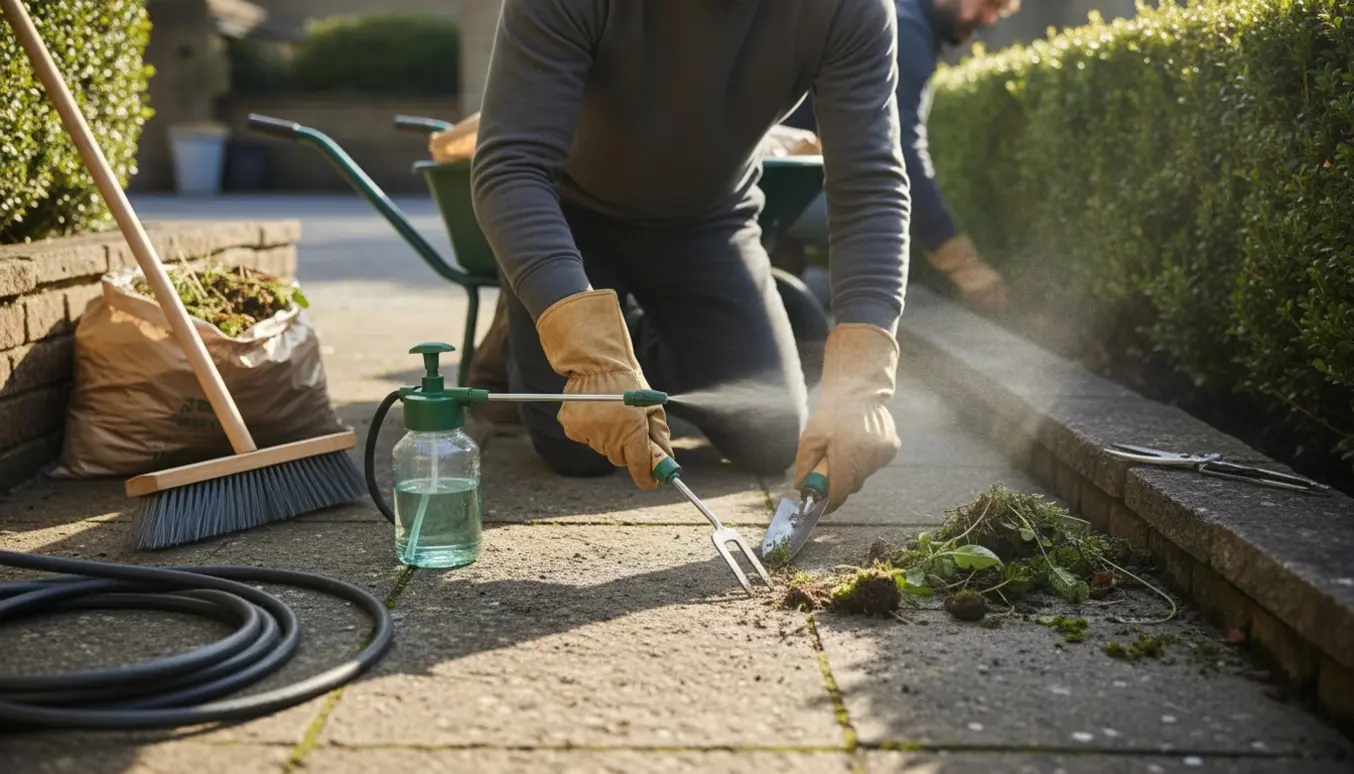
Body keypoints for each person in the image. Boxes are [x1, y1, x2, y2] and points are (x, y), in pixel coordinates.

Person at [465, 0, 913, 515]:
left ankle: (626, 334)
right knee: (578, 450)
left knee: (769, 439)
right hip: (570, 220)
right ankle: (527, 325)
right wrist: (589, 351)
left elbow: (870, 188)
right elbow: (510, 168)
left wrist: (862, 384)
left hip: (709, 221)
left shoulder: (848, 10)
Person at [782, 0, 1020, 315]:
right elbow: (899, 148)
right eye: (988, 4)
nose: (989, 19)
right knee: (887, 225)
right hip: (784, 182)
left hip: (784, 174)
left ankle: (794, 290)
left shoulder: (907, 21)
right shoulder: (905, 30)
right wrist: (959, 259)